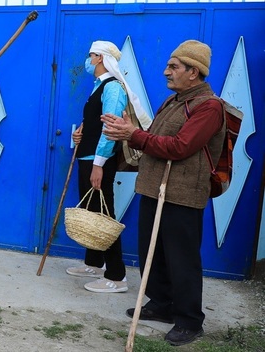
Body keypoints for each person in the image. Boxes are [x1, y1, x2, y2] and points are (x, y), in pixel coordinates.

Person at [101, 40, 226, 347]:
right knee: (152, 251)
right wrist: (128, 130)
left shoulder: (208, 107)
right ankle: (161, 304)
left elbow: (180, 147)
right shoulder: (173, 102)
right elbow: (152, 139)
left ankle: (189, 321)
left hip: (182, 193)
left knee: (181, 259)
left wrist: (134, 135)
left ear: (193, 72)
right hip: (154, 187)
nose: (165, 72)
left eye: (174, 67)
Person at [66, 41, 151, 293]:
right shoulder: (98, 86)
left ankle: (116, 276)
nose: (87, 59)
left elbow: (110, 130)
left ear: (100, 58)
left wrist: (99, 164)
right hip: (87, 157)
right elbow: (94, 124)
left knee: (104, 215)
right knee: (92, 213)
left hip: (98, 161)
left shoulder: (113, 88)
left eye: (90, 55)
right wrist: (80, 136)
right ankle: (94, 263)